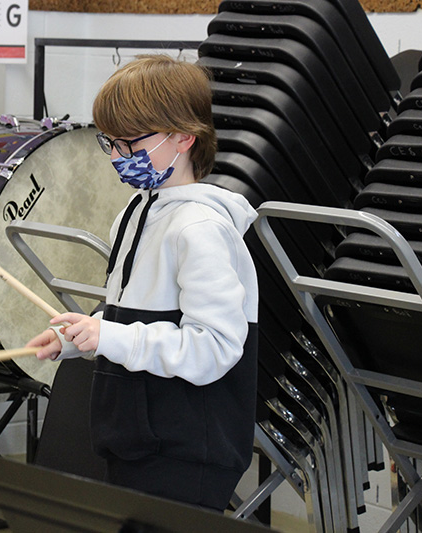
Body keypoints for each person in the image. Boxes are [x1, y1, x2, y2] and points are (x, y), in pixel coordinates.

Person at [26, 54, 259, 511]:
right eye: (108, 143)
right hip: (132, 436)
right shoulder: (134, 214)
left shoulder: (200, 229)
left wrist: (110, 335)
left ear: (184, 137)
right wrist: (79, 336)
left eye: (130, 143)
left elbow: (214, 346)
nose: (117, 157)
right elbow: (130, 317)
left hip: (186, 449)